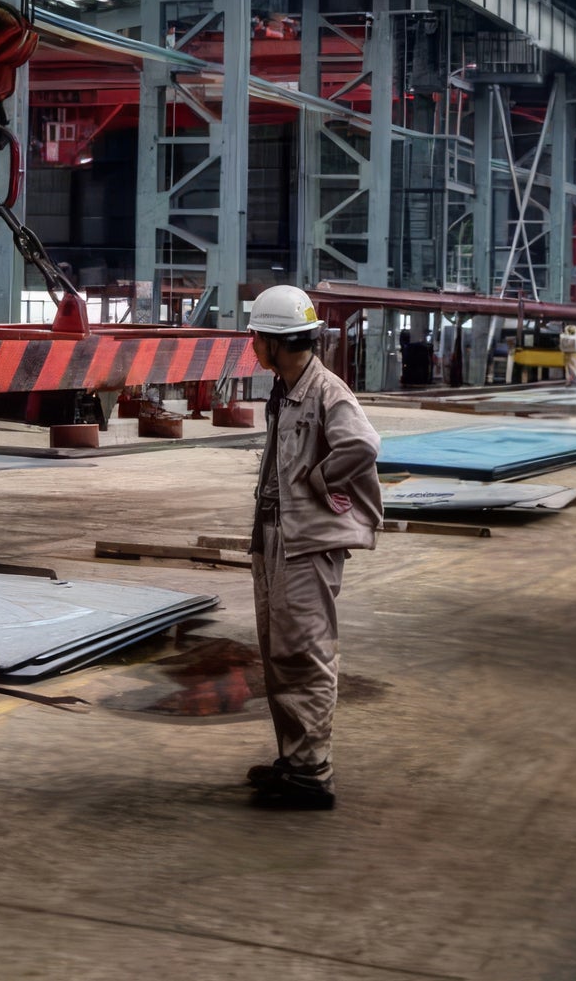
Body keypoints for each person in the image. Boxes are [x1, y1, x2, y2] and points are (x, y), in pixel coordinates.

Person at [242, 285, 383, 811]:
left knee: (306, 652)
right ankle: (295, 759)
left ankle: (312, 773)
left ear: (277, 342)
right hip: (278, 536)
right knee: (280, 651)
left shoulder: (326, 391)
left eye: (257, 337)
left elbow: (363, 445)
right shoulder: (286, 389)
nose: (253, 345)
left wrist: (322, 481)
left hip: (307, 543)